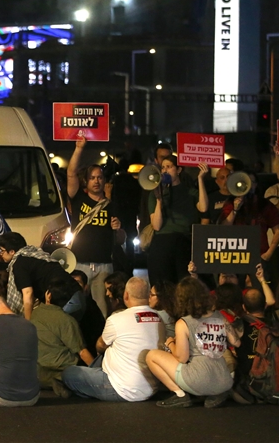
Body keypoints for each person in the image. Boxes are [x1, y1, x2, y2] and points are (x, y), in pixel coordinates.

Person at [59, 277, 165, 402]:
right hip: (151, 388)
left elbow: (100, 345)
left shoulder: (117, 319)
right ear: (148, 295)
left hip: (122, 389)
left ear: (126, 295)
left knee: (69, 373)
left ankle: (84, 390)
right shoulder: (159, 318)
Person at [145, 277, 233, 408]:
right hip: (224, 380)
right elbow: (236, 342)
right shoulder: (219, 316)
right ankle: (216, 392)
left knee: (151, 355)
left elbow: (182, 358)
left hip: (198, 379)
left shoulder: (183, 323)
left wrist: (170, 343)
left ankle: (180, 395)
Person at [66, 137, 126, 317]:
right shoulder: (78, 199)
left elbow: (121, 239)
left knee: (102, 310)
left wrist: (118, 229)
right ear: (86, 181)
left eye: (99, 177)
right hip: (80, 262)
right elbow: (71, 173)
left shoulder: (112, 205)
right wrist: (79, 148)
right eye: (92, 178)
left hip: (104, 265)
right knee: (77, 307)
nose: (96, 181)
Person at [147, 157, 209, 286]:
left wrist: (200, 179)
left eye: (169, 167)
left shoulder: (190, 192)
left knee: (183, 284)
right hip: (162, 242)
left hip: (183, 241)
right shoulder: (155, 193)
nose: (165, 170)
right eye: (163, 167)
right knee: (162, 285)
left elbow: (203, 208)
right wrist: (159, 200)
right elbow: (156, 226)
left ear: (179, 170)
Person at [0, 232, 76, 321]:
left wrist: (28, 322)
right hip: (76, 294)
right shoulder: (34, 254)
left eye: (1, 251)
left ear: (12, 252)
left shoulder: (19, 264)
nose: (0, 254)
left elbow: (28, 293)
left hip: (66, 301)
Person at [30, 281, 95, 389]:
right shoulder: (67, 320)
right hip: (63, 372)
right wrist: (98, 372)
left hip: (38, 372)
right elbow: (82, 352)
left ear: (48, 295)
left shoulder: (35, 314)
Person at [220, 171, 279, 274]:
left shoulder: (265, 205)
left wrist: (268, 254)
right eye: (244, 182)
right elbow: (223, 229)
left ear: (256, 184)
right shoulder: (230, 203)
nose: (248, 186)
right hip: (236, 256)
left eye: (251, 182)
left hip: (259, 256)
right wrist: (235, 210)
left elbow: (278, 231)